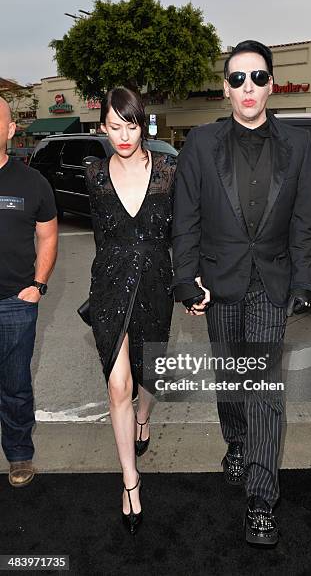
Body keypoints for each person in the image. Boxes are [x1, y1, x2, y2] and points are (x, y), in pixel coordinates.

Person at [171, 40, 311, 546]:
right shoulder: (200, 144)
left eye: (257, 77)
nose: (248, 87)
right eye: (237, 79)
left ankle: (261, 496)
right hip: (218, 283)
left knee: (261, 389)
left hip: (270, 285)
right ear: (226, 89)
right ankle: (236, 441)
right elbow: (186, 218)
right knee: (231, 381)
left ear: (271, 84)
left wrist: (303, 279)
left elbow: (304, 222)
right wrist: (185, 276)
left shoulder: (298, 146)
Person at [85, 87, 176, 534]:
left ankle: (144, 419)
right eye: (115, 126)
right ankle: (130, 481)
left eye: (131, 125)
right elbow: (102, 239)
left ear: (144, 124)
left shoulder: (169, 171)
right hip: (109, 287)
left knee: (149, 380)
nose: (124, 135)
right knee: (118, 385)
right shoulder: (93, 175)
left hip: (156, 285)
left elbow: (182, 232)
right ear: (103, 126)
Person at [0, 97, 58, 487]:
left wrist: (37, 286)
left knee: (15, 386)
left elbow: (49, 235)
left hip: (15, 304)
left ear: (9, 130)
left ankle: (19, 455)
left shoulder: (31, 182)